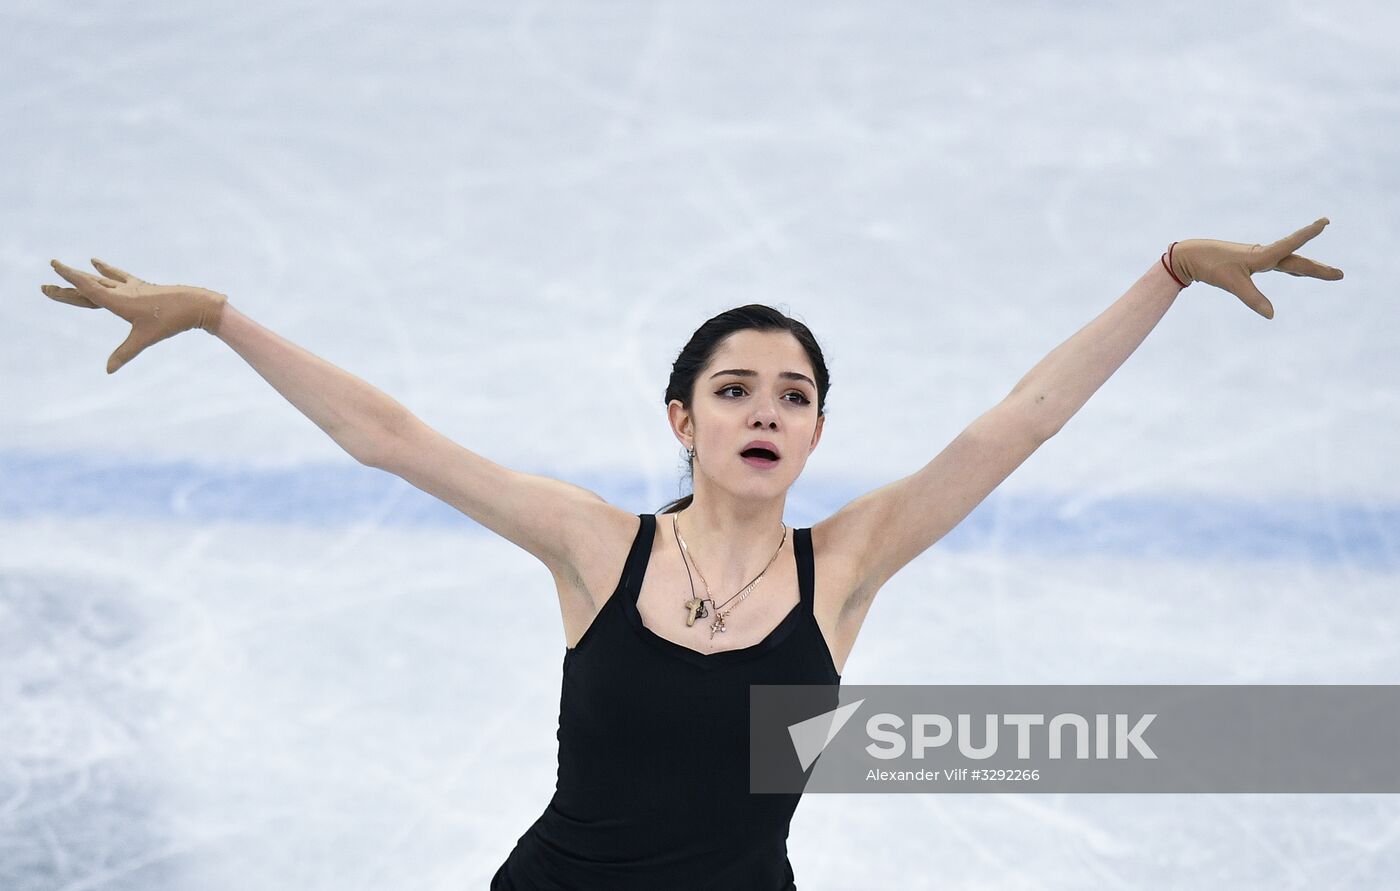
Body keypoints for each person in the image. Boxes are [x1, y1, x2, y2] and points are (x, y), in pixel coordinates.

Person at [41, 220, 1342, 889]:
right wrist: (216, 316)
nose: (764, 410)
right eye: (734, 389)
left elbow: (1022, 420)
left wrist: (1168, 272)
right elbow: (389, 438)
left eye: (792, 393)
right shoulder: (591, 546)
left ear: (819, 427)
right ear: (683, 418)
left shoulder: (851, 562)